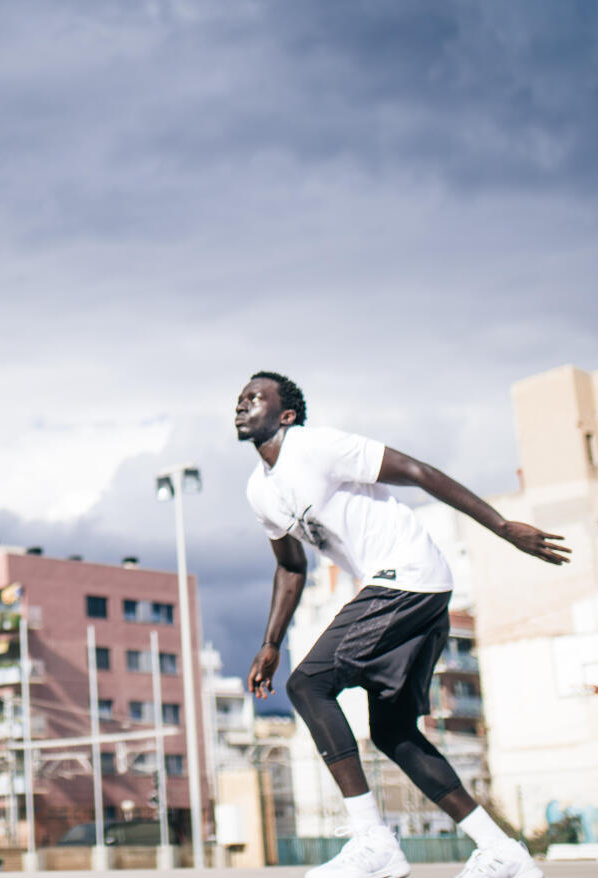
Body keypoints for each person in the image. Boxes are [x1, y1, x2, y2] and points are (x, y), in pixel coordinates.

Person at [235, 371, 569, 878]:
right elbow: (291, 567)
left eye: (255, 398)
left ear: (286, 415)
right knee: (394, 732)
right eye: (239, 399)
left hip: (408, 576)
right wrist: (270, 643)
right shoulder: (260, 491)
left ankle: (373, 840)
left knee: (308, 684)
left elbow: (415, 470)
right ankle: (502, 850)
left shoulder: (316, 446)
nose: (241, 405)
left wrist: (501, 527)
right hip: (415, 590)